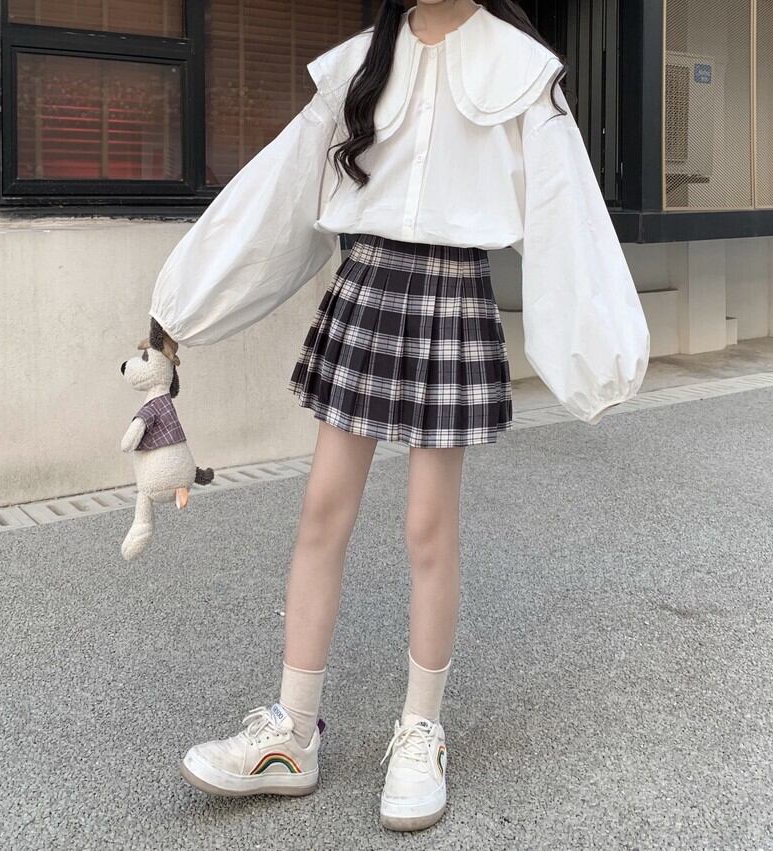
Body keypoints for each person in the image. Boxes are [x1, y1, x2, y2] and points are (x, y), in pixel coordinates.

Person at [149, 0, 650, 833]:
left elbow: (569, 216)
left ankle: (421, 729)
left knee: (428, 524)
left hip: (453, 292)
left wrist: (598, 355)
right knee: (321, 509)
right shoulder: (359, 64)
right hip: (367, 285)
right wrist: (180, 307)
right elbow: (277, 193)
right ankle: (292, 730)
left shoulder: (521, 72)